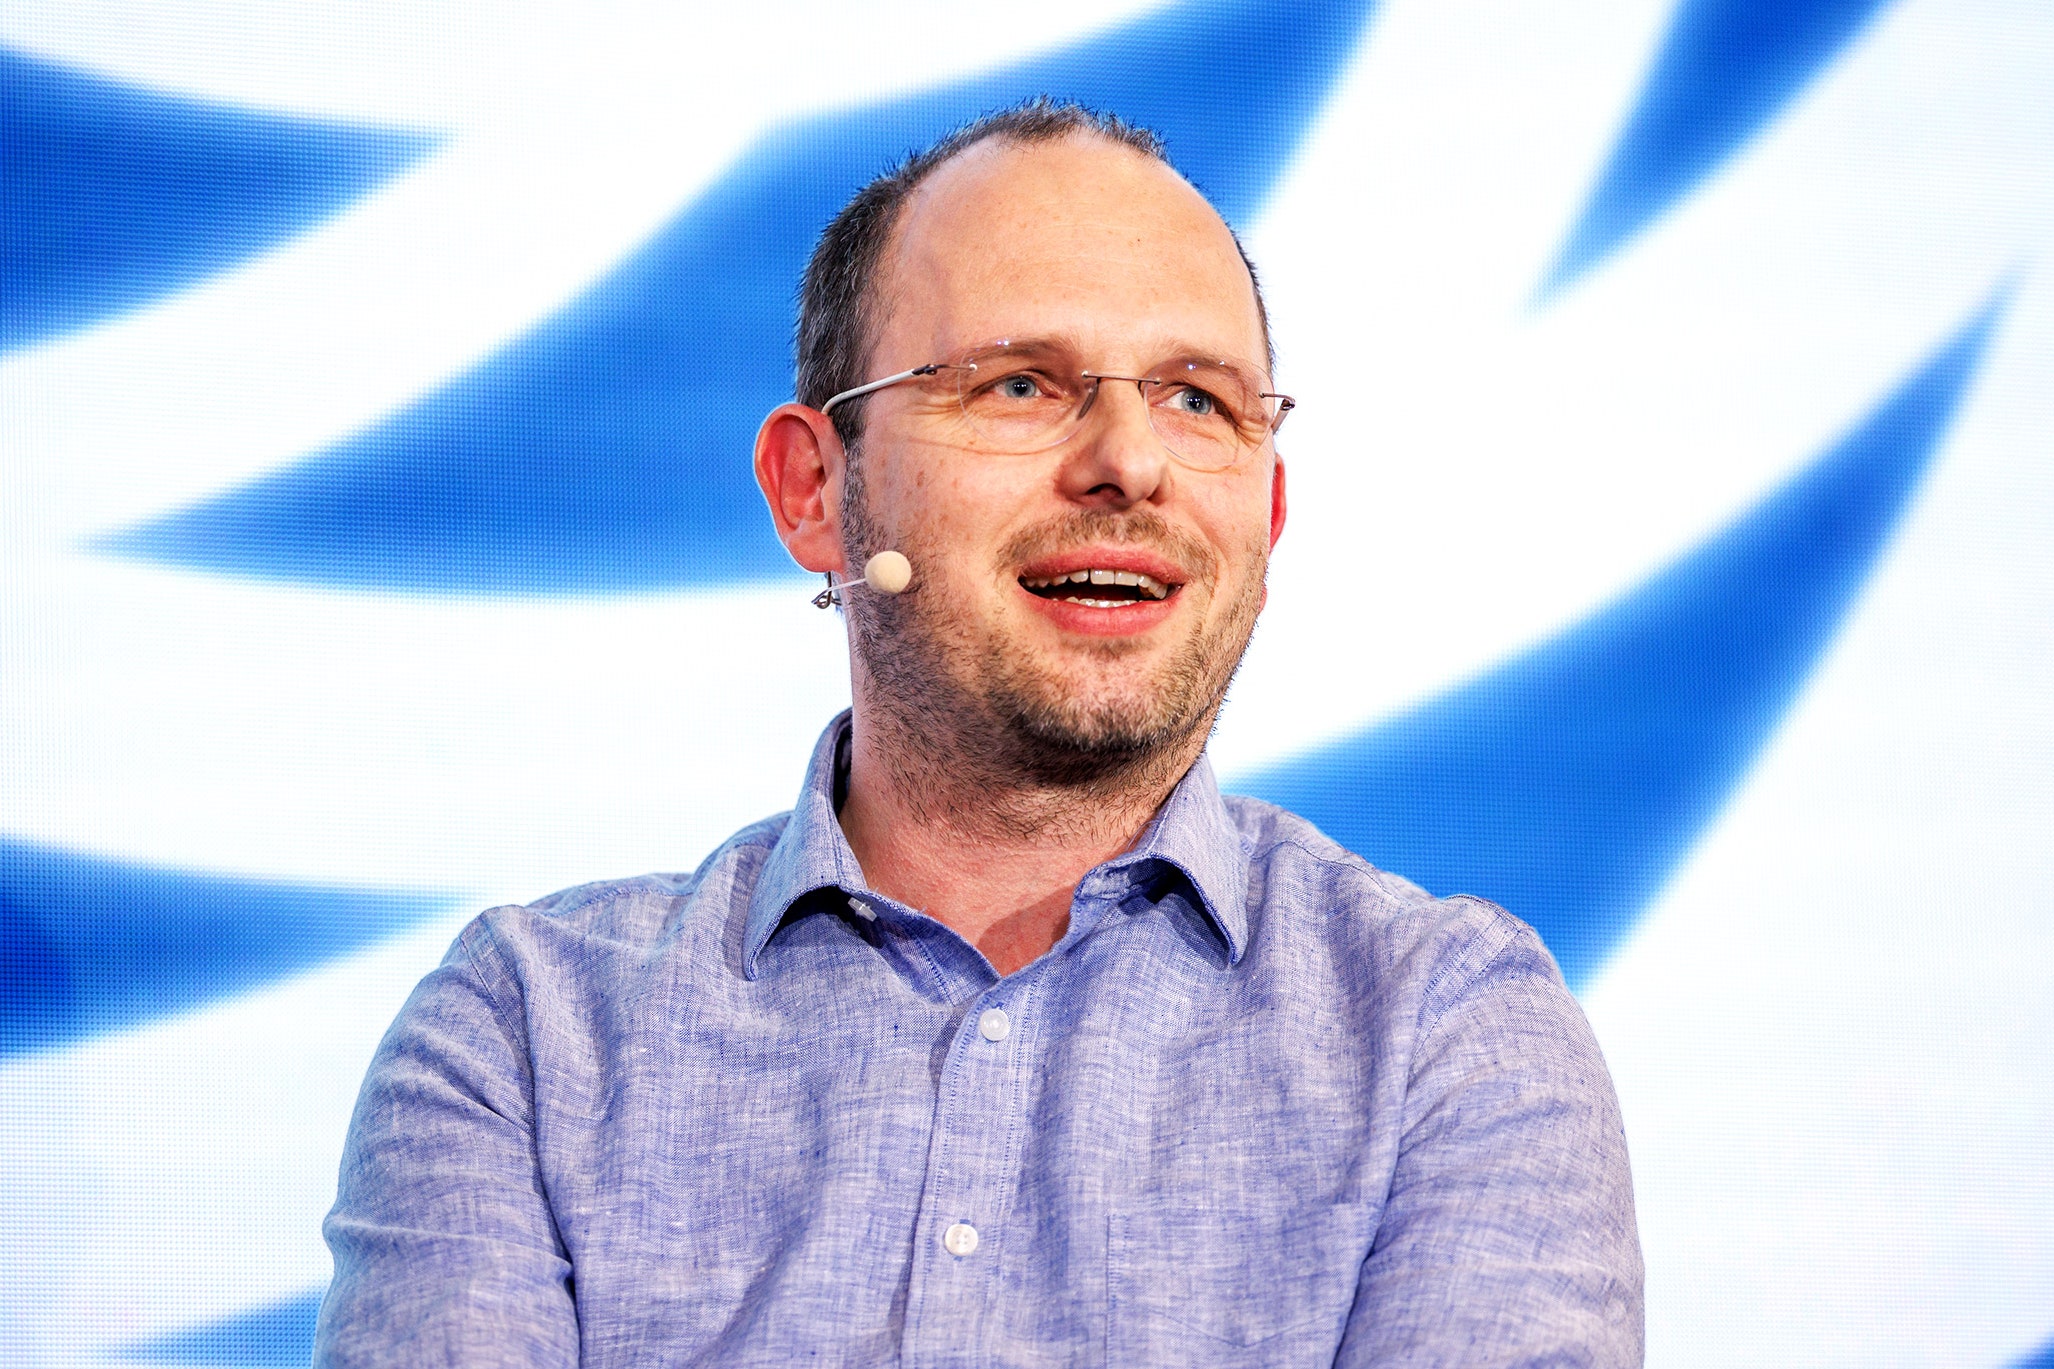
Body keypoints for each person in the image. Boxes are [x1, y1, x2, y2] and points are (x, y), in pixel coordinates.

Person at [316, 100, 1643, 1366]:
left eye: (1199, 400)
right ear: (812, 493)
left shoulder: (1445, 1035)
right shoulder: (530, 1039)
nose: (1131, 460)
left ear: (1270, 509)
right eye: (1019, 384)